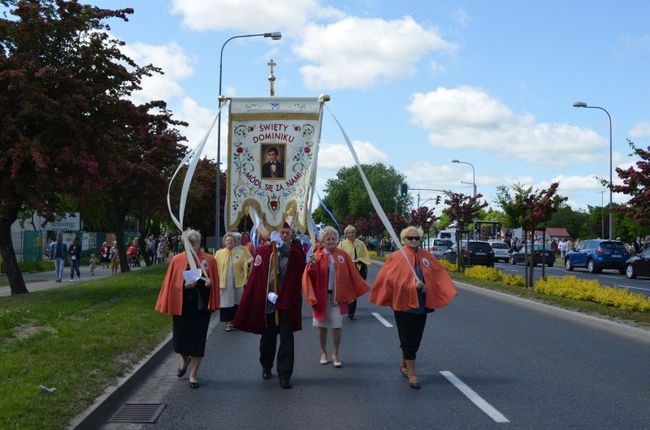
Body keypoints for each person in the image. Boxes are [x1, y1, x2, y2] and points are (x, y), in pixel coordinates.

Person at [369, 226, 457, 389]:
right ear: (404, 239)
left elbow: (437, 277)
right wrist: (411, 286)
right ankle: (412, 373)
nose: (414, 241)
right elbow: (390, 281)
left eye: (417, 238)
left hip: (421, 305)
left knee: (415, 338)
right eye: (411, 238)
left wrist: (426, 287)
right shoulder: (396, 257)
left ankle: (404, 362)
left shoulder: (427, 256)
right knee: (407, 338)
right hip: (402, 305)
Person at [234, 223, 306, 389]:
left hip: (287, 302)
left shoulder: (296, 251)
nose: (285, 235)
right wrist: (266, 293)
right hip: (269, 302)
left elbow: (299, 263)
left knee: (287, 339)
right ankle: (266, 365)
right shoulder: (264, 251)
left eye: (287, 233)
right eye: (282, 233)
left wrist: (281, 246)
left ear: (292, 234)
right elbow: (257, 278)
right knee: (268, 338)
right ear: (275, 234)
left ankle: (285, 373)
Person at [155, 228, 219, 389]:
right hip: (182, 307)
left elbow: (214, 281)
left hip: (200, 308)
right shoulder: (177, 260)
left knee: (198, 342)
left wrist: (208, 284)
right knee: (179, 342)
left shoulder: (209, 260)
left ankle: (193, 375)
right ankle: (185, 360)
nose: (192, 246)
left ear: (199, 243)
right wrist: (184, 286)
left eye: (194, 243)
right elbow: (172, 284)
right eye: (188, 243)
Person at [302, 226, 370, 368]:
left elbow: (353, 274)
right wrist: (312, 267)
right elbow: (310, 277)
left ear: (337, 239)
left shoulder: (343, 255)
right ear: (323, 241)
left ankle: (336, 353)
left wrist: (353, 293)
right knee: (322, 327)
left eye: (333, 238)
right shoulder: (317, 255)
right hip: (322, 297)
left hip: (337, 298)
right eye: (328, 239)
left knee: (337, 326)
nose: (331, 241)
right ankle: (323, 352)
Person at [215, 232, 252, 332]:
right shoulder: (219, 253)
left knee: (237, 302)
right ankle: (228, 323)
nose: (229, 242)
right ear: (224, 242)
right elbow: (214, 267)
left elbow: (245, 265)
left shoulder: (240, 252)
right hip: (225, 282)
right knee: (226, 303)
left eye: (231, 240)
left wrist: (248, 264)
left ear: (234, 242)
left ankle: (236, 321)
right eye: (227, 240)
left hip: (238, 281)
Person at [338, 224, 372, 320]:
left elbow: (365, 255)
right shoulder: (341, 244)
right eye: (349, 233)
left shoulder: (360, 244)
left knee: (353, 291)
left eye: (353, 232)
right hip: (346, 270)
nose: (351, 234)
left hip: (357, 270)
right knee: (347, 290)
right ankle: (347, 306)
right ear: (346, 234)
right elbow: (338, 256)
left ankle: (351, 312)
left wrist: (359, 260)